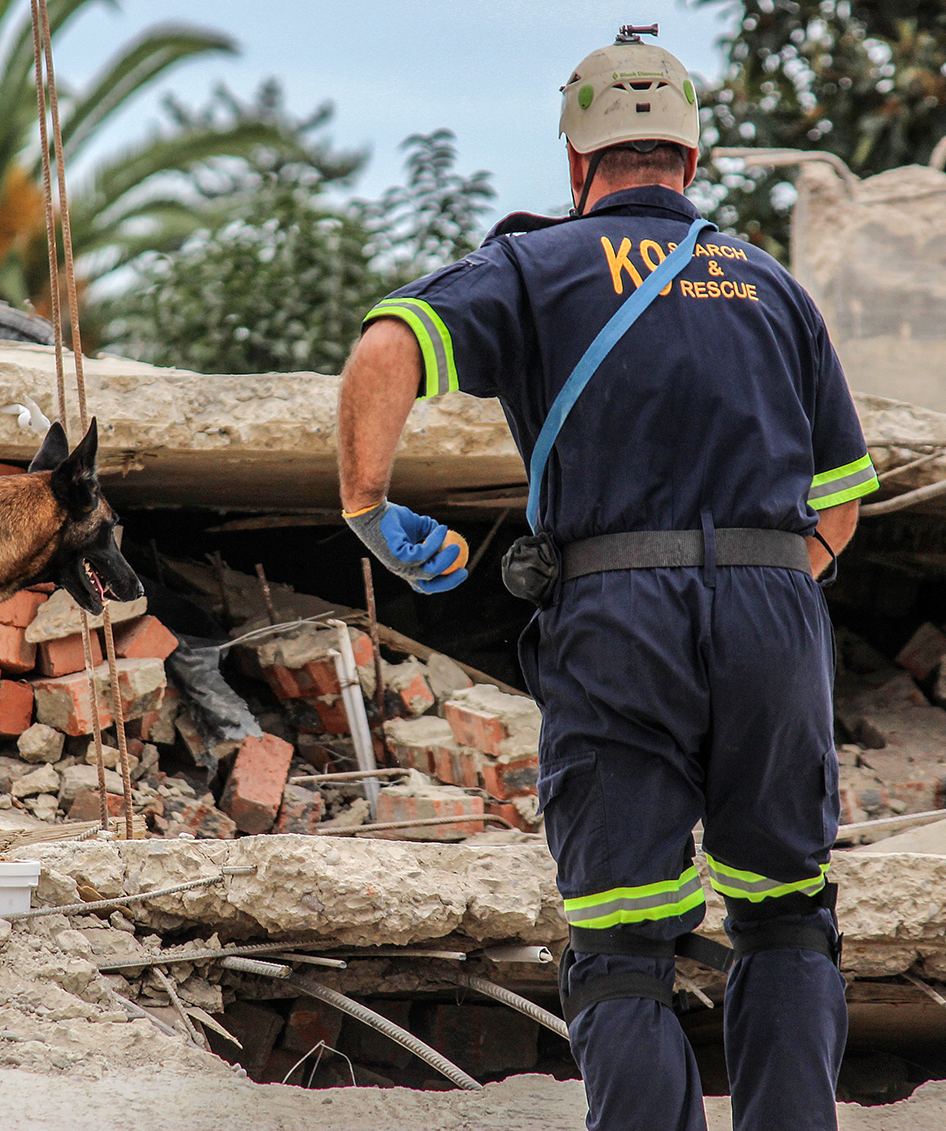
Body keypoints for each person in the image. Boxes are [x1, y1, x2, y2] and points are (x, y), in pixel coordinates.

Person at [335, 26, 876, 1131]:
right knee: (786, 913)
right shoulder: (771, 285)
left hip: (619, 615)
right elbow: (844, 496)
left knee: (624, 935)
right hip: (777, 609)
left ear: (578, 163)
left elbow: (388, 344)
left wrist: (368, 508)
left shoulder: (534, 267)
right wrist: (764, 590)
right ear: (693, 157)